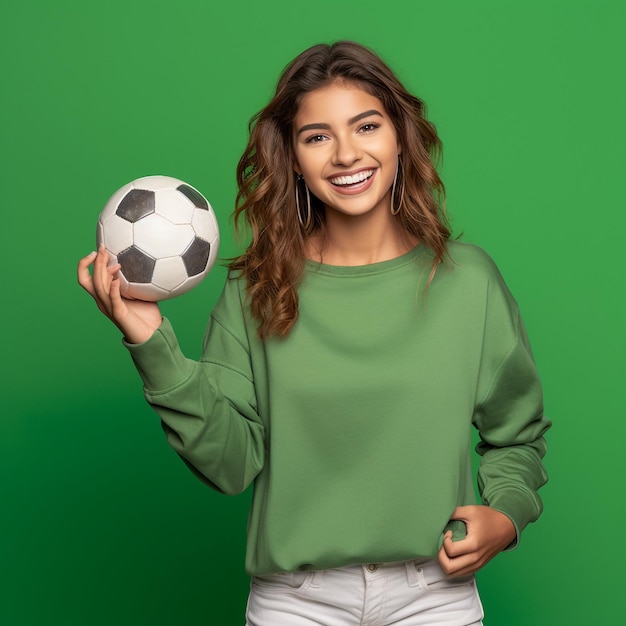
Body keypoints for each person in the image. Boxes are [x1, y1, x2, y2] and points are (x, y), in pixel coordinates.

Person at [78, 40, 550, 626]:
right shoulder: (257, 289)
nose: (346, 154)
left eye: (366, 126)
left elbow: (518, 437)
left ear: (400, 137)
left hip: (434, 594)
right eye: (317, 136)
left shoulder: (469, 282)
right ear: (293, 157)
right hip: (295, 603)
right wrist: (151, 340)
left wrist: (506, 514)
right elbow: (229, 464)